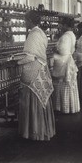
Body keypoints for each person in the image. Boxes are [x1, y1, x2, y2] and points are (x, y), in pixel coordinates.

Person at [17, 10, 55, 141]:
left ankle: (34, 131)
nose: (24, 23)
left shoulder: (33, 34)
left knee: (33, 96)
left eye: (25, 20)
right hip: (41, 68)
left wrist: (16, 61)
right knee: (40, 99)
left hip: (33, 69)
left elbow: (29, 56)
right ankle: (41, 129)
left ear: (30, 21)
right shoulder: (41, 33)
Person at [51, 17, 80, 114]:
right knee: (69, 85)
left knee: (62, 84)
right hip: (68, 60)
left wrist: (55, 50)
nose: (60, 27)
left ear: (66, 26)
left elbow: (63, 51)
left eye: (61, 25)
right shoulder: (72, 35)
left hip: (63, 62)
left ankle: (63, 108)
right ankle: (69, 107)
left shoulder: (65, 37)